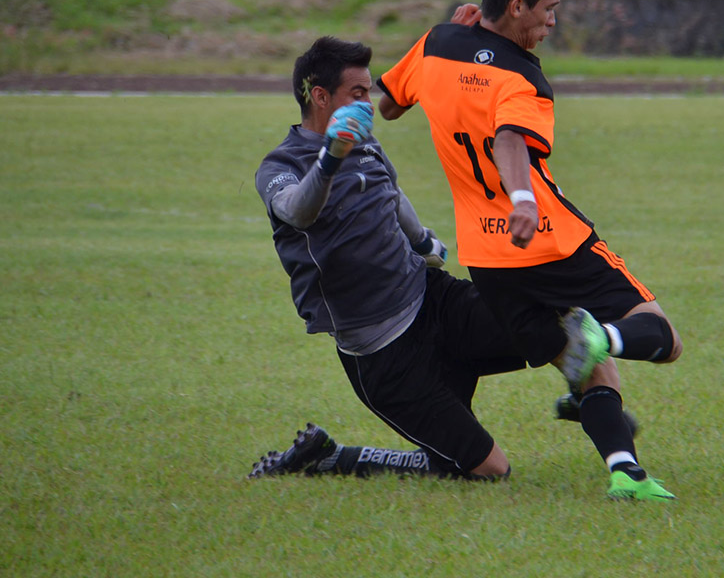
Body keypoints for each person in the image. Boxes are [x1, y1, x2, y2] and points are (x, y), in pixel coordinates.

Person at [377, 0, 683, 501]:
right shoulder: (523, 77)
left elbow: (389, 105)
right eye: (549, 6)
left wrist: (448, 37)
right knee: (659, 334)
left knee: (579, 358)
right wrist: (521, 196)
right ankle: (604, 338)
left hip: (490, 261)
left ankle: (627, 474)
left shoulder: (436, 45)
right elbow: (510, 138)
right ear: (516, 6)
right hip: (550, 239)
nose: (553, 19)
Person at [247, 34, 600, 481]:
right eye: (357, 94)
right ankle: (332, 458)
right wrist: (332, 155)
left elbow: (390, 191)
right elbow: (299, 211)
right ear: (320, 97)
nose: (368, 103)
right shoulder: (280, 166)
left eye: (369, 92)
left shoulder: (366, 141)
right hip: (382, 354)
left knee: (553, 323)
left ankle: (597, 414)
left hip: (431, 301)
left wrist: (422, 242)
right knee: (489, 470)